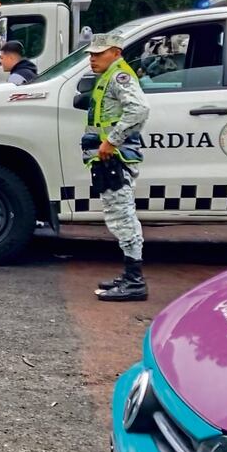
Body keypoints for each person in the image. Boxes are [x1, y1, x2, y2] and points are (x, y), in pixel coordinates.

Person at [83, 33, 151, 302]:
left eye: (98, 54)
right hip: (110, 158)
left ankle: (135, 281)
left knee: (122, 216)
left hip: (117, 158)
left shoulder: (119, 76)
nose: (92, 59)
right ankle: (129, 275)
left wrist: (112, 141)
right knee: (119, 214)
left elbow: (139, 110)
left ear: (115, 52)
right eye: (91, 54)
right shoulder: (110, 76)